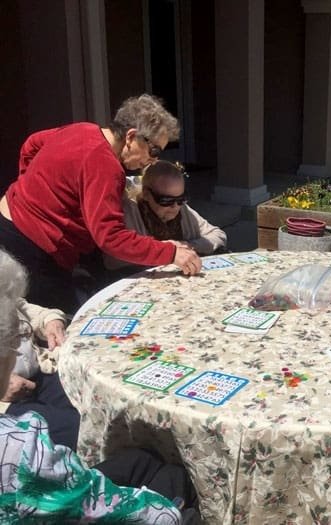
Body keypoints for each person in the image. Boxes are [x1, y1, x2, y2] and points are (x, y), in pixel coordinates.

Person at [0, 248, 198, 522]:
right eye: (15, 336)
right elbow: (104, 509)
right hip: (71, 496)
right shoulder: (19, 449)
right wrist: (168, 510)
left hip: (40, 380)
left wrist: (49, 319)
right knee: (173, 474)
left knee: (139, 454)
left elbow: (21, 306)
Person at [0, 94, 202, 314]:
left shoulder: (82, 129)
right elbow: (111, 238)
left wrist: (27, 186)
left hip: (8, 220)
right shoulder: (105, 166)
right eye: (154, 150)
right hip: (31, 245)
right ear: (131, 136)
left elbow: (32, 144)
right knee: (62, 321)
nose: (153, 160)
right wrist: (171, 253)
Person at [0, 263, 79, 450]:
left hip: (42, 369)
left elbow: (21, 306)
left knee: (94, 409)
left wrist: (50, 319)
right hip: (7, 402)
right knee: (77, 429)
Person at [103, 160, 227, 275]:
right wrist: (164, 250)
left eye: (181, 199)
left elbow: (218, 235)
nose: (175, 207)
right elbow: (112, 260)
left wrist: (188, 246)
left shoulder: (183, 210)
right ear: (146, 194)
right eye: (166, 200)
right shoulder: (130, 212)